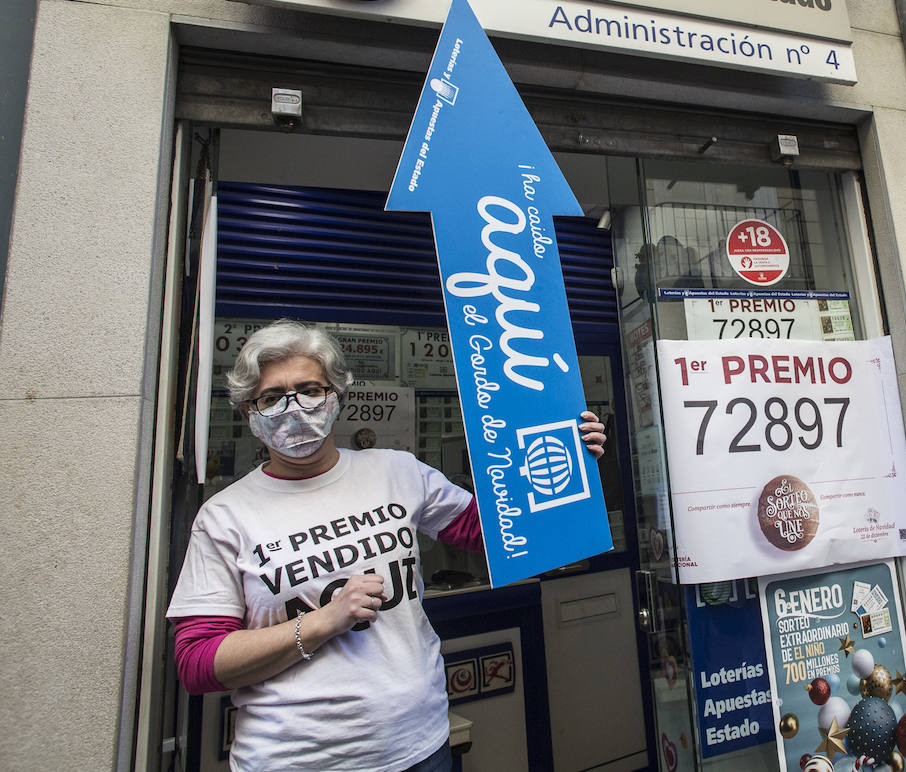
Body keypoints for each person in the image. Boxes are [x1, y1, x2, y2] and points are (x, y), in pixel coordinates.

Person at [167, 320, 607, 772]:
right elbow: (198, 663)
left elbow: (495, 533)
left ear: (337, 395)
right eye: (272, 397)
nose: (293, 407)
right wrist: (322, 623)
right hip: (294, 760)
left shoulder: (397, 471)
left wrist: (567, 460)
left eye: (309, 390)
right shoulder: (224, 516)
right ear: (248, 412)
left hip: (420, 747)